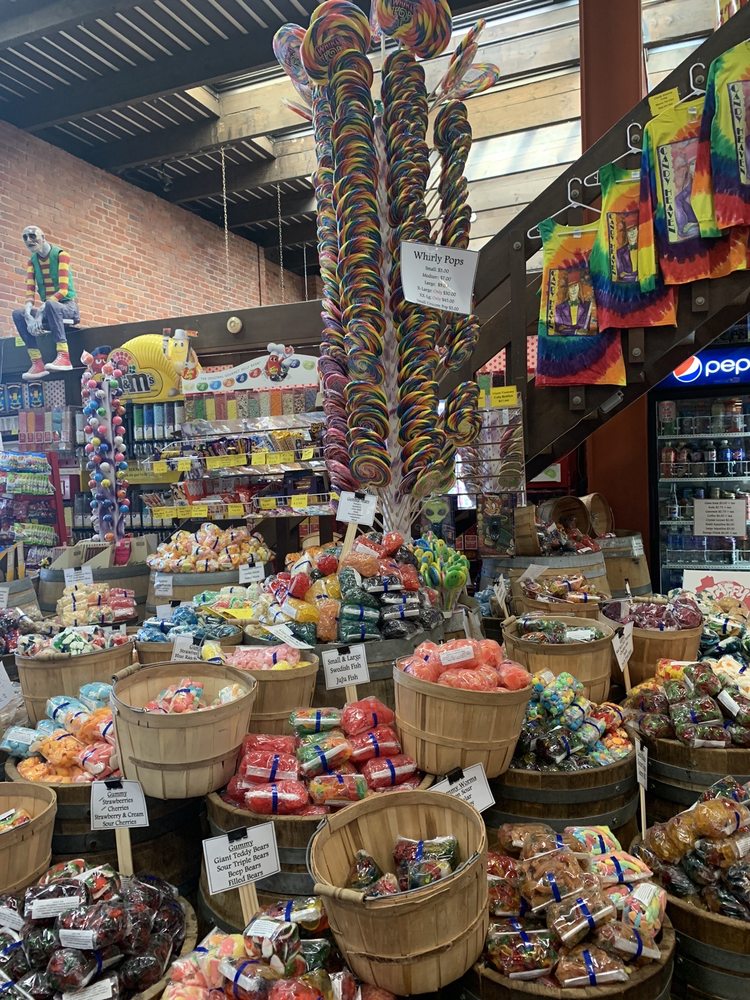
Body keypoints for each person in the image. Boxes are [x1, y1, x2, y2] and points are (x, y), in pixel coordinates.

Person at [11, 225, 79, 380]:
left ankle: (64, 356)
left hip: (67, 307)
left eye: (32, 236)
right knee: (18, 314)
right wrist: (28, 315)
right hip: (48, 309)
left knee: (50, 304)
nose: (29, 240)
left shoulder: (61, 255)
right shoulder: (32, 262)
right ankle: (37, 362)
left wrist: (40, 314)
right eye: (25, 237)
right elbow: (30, 292)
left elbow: (63, 290)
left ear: (42, 237)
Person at [553, 269, 595, 334]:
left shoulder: (587, 306)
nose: (573, 290)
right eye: (571, 287)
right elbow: (559, 328)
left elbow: (592, 328)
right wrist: (575, 332)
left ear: (579, 287)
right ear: (567, 290)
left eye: (575, 286)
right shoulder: (559, 308)